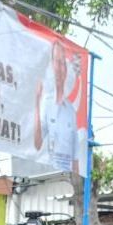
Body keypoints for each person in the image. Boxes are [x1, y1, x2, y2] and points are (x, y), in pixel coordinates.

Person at [34, 39, 79, 173]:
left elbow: (76, 157)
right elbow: (37, 143)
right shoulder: (46, 103)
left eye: (62, 63)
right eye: (56, 62)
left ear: (66, 69)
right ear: (51, 66)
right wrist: (36, 101)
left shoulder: (71, 110)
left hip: (68, 176)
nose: (60, 68)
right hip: (50, 174)